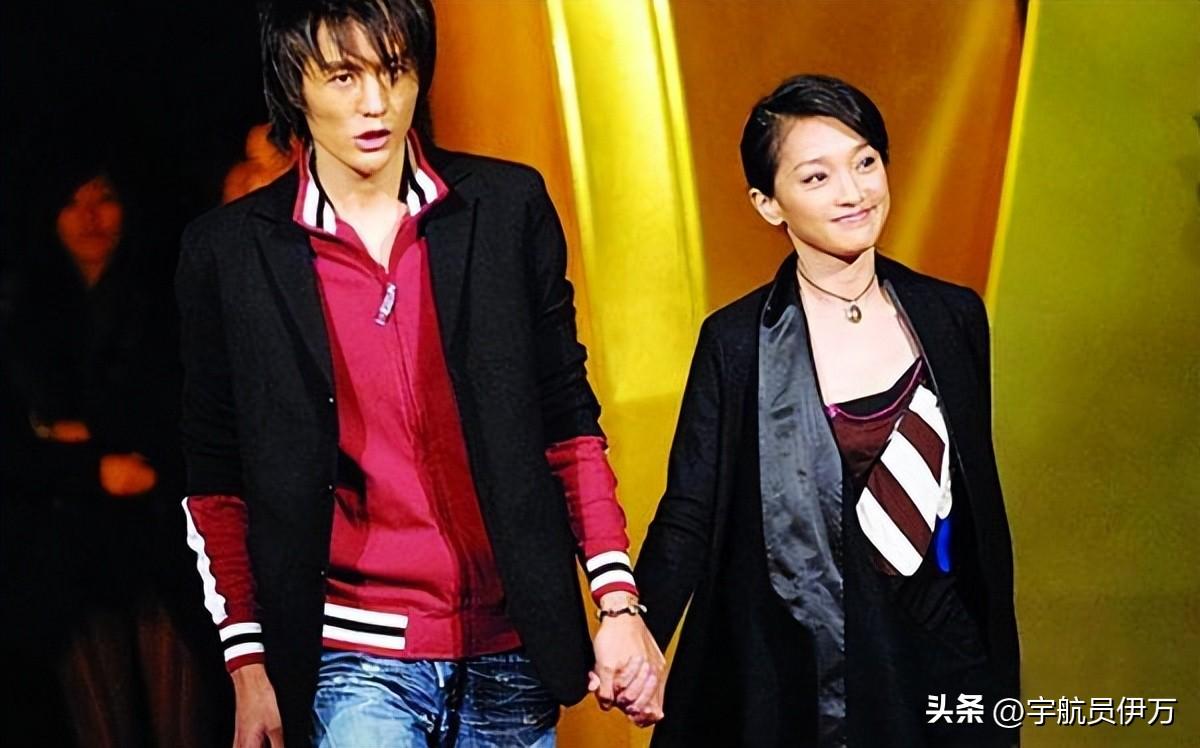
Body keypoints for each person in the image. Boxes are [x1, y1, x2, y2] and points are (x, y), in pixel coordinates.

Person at [175, 1, 663, 746]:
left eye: (395, 70)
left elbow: (566, 420)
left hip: (509, 642)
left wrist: (618, 602)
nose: (375, 102)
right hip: (352, 651)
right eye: (343, 76)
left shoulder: (505, 208)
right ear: (294, 84)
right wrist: (248, 665)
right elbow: (216, 478)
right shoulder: (231, 253)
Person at [634, 75, 1020, 747]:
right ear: (767, 204)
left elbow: (970, 506)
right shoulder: (738, 342)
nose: (853, 192)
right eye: (816, 177)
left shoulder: (952, 315)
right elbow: (690, 510)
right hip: (805, 666)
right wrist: (636, 632)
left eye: (865, 162)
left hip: (939, 656)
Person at [1, 158, 225, 748]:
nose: (90, 217)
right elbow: (18, 445)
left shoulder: (164, 302)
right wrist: (87, 464)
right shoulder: (23, 316)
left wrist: (82, 434)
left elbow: (186, 412)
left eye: (103, 198)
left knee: (181, 706)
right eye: (72, 202)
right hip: (66, 547)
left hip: (161, 537)